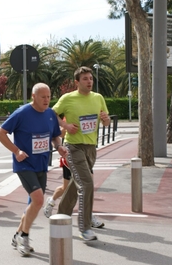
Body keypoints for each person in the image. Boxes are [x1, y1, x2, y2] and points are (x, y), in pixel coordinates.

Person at [0, 83, 65, 257]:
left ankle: (18, 234)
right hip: (24, 163)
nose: (47, 100)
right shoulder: (22, 113)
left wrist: (59, 146)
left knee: (33, 204)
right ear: (33, 97)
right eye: (43, 96)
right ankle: (24, 237)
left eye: (49, 96)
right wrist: (16, 151)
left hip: (41, 164)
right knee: (38, 199)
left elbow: (56, 135)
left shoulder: (50, 114)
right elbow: (0, 133)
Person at [52, 66, 110, 241]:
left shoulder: (98, 98)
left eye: (91, 78)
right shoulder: (67, 98)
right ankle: (84, 227)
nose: (89, 81)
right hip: (73, 146)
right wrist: (65, 126)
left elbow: (105, 120)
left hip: (91, 147)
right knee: (86, 184)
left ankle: (61, 215)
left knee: (74, 184)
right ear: (77, 82)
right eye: (85, 79)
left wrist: (106, 120)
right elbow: (51, 114)